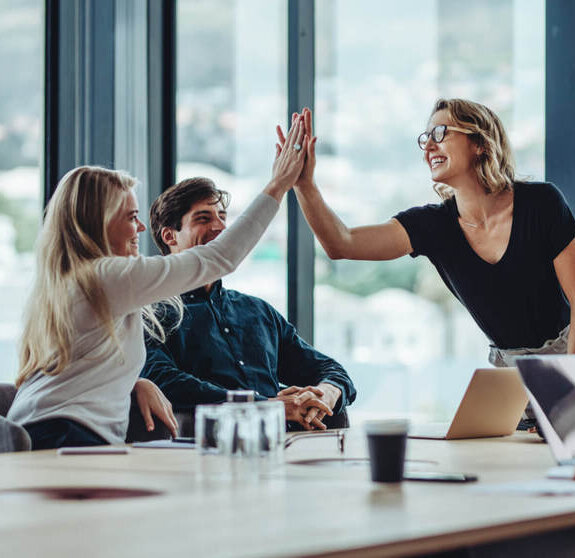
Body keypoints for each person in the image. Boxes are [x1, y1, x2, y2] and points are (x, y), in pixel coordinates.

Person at [7, 116, 308, 449]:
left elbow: (82, 366)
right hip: (63, 436)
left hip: (41, 430)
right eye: (130, 217)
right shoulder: (105, 277)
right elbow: (219, 258)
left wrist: (135, 382)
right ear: (98, 222)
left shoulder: (72, 281)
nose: (140, 229)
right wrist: (277, 186)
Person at [279, 101, 575, 371]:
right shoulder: (434, 226)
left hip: (569, 356)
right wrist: (304, 184)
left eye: (440, 133)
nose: (428, 147)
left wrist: (566, 387)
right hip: (511, 377)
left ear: (479, 143)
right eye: (425, 138)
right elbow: (341, 243)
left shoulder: (542, 203)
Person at [141, 177, 356, 431]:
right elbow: (164, 381)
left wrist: (326, 393)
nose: (220, 227)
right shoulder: (151, 315)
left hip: (287, 448)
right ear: (170, 236)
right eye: (203, 218)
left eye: (222, 216)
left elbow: (330, 369)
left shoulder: (258, 311)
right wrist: (264, 406)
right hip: (208, 450)